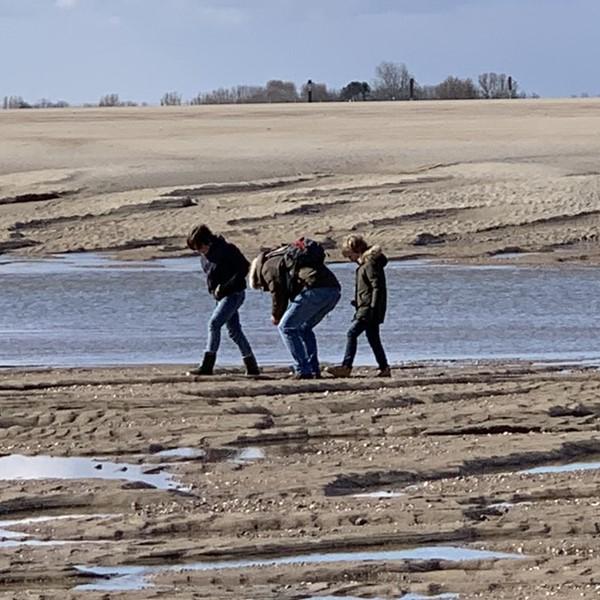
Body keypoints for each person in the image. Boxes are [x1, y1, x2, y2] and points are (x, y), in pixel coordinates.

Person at [249, 239, 341, 379]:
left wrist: (276, 315)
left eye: (261, 286)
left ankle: (303, 370)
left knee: (286, 327)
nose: (263, 288)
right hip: (333, 290)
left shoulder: (268, 267)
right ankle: (313, 369)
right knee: (304, 328)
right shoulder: (283, 258)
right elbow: (292, 288)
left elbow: (278, 293)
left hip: (316, 290)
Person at [187, 224, 259, 376]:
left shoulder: (227, 250)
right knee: (234, 331)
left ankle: (207, 365)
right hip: (220, 297)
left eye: (200, 247)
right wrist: (214, 291)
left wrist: (225, 287)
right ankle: (251, 365)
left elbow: (245, 267)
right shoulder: (204, 257)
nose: (199, 252)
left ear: (207, 242)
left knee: (214, 324)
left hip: (234, 294)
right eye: (196, 249)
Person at [326, 235, 391, 378]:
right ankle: (384, 367)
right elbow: (369, 288)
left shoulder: (369, 265)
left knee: (352, 333)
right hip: (366, 306)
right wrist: (358, 301)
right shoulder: (366, 265)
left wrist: (372, 307)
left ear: (356, 251)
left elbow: (377, 287)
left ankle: (346, 366)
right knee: (373, 338)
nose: (350, 259)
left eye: (350, 256)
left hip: (368, 309)